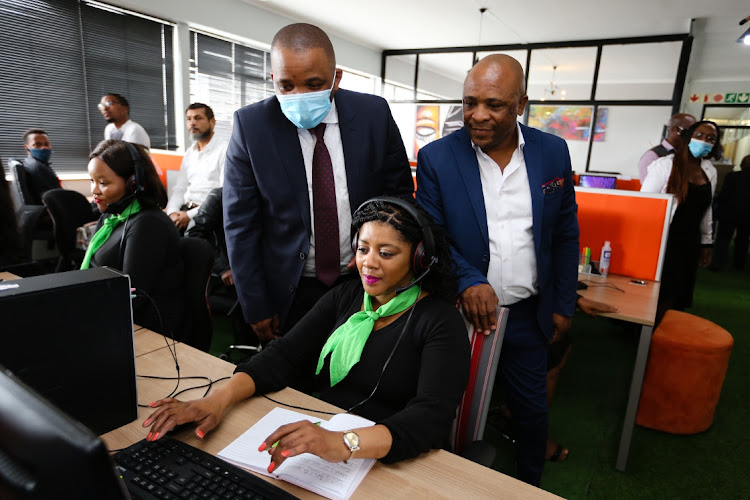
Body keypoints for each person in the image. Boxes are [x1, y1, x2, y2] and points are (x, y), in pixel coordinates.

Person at [143, 198, 470, 469]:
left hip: (386, 457)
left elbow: (431, 417)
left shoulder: (440, 322)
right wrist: (215, 401)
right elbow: (283, 355)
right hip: (324, 438)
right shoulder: (346, 296)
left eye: (386, 253)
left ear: (419, 259)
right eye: (363, 249)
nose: (368, 264)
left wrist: (344, 443)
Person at [415, 54, 580, 486]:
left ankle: (529, 486)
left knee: (531, 409)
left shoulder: (552, 152)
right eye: (470, 102)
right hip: (459, 317)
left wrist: (563, 302)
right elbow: (432, 237)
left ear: (521, 104)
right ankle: (439, 488)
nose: (478, 115)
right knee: (448, 409)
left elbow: (564, 233)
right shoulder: (437, 158)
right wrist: (469, 279)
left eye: (494, 104)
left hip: (527, 313)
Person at [223, 23, 413, 345]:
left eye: (313, 84)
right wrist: (256, 304)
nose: (299, 97)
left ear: (336, 79)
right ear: (273, 80)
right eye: (286, 86)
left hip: (362, 278)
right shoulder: (251, 127)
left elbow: (399, 195)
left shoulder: (373, 115)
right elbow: (240, 225)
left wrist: (376, 247)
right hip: (290, 287)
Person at [82, 139, 183, 335]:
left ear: (133, 183)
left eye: (103, 183)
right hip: (110, 315)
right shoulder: (111, 216)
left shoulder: (147, 224)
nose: (94, 190)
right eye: (92, 180)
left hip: (144, 330)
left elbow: (134, 298)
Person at [641, 120, 721, 325]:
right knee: (665, 291)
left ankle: (664, 334)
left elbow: (706, 212)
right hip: (665, 239)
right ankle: (649, 336)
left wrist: (706, 243)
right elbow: (645, 205)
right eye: (700, 136)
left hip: (690, 241)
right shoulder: (665, 165)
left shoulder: (710, 171)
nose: (705, 141)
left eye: (710, 139)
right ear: (689, 137)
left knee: (680, 292)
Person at [166, 103, 227, 232]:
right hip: (185, 210)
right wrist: (172, 213)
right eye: (189, 119)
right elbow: (179, 189)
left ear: (212, 122)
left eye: (198, 118)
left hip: (209, 215)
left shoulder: (224, 150)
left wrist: (188, 216)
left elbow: (223, 194)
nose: (192, 123)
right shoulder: (190, 153)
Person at [712, 155, 750, 271]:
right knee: (743, 240)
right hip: (747, 216)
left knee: (723, 239)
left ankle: (718, 263)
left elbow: (724, 194)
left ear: (742, 164)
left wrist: (717, 201)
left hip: (728, 213)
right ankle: (739, 264)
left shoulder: (732, 177)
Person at [637, 113, 696, 183]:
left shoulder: (688, 154)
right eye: (691, 132)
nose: (693, 137)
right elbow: (648, 191)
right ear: (677, 130)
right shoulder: (652, 156)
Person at [16, 129, 60, 205]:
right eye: (37, 144)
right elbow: (52, 200)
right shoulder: (38, 168)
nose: (44, 147)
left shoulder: (30, 163)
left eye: (46, 144)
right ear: (26, 148)